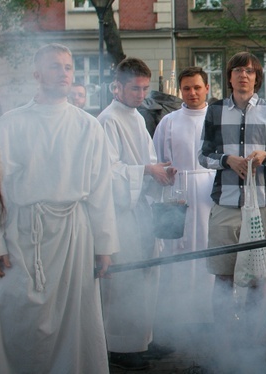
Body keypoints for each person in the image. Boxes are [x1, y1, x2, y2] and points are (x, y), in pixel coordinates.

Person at [0, 43, 119, 373]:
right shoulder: (10, 124)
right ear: (37, 74)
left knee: (75, 323)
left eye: (68, 67)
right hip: (24, 233)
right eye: (55, 66)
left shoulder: (88, 126)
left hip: (74, 235)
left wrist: (104, 246)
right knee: (20, 316)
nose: (64, 73)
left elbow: (99, 191)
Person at [198, 51, 266, 334]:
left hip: (262, 204)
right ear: (229, 77)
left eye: (250, 71)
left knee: (258, 277)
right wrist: (227, 160)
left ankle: (253, 339)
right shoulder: (214, 110)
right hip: (226, 204)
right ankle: (223, 340)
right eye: (238, 70)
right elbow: (203, 156)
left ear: (257, 78)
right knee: (223, 274)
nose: (243, 75)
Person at [98, 57, 176, 370]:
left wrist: (162, 172)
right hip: (120, 214)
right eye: (134, 88)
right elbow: (107, 172)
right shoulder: (108, 119)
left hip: (140, 209)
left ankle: (143, 338)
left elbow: (149, 159)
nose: (141, 94)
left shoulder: (136, 117)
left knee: (147, 274)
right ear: (116, 87)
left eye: (144, 88)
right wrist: (147, 170)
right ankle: (119, 346)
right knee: (126, 279)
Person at [152, 67, 216, 326]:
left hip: (209, 191)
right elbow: (157, 159)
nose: (192, 93)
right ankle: (177, 313)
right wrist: (165, 176)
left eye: (197, 87)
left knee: (208, 250)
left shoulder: (215, 119)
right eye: (187, 88)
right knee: (176, 251)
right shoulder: (169, 121)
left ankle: (207, 311)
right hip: (178, 192)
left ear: (207, 88)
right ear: (180, 90)